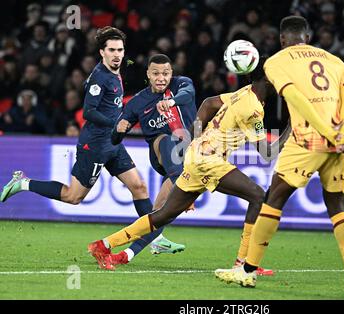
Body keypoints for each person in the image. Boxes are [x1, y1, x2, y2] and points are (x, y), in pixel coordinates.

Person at [87, 58, 292, 272]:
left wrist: (195, 138)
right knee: (259, 196)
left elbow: (208, 103)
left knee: (164, 215)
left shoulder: (243, 92)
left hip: (196, 156)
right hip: (209, 161)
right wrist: (291, 127)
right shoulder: (252, 109)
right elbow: (267, 154)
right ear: (268, 80)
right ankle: (243, 264)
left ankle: (103, 245)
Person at [215, 15, 344, 292]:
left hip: (308, 140)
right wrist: (341, 132)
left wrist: (325, 131)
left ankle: (247, 271)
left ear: (282, 40)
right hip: (341, 141)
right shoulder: (336, 61)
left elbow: (296, 96)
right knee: (338, 206)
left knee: (274, 199)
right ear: (307, 37)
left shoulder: (275, 62)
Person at [0, 26, 181, 256]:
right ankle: (23, 183)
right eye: (112, 50)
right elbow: (88, 111)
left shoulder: (117, 70)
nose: (117, 54)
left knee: (139, 187)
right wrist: (115, 124)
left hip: (113, 144)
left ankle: (156, 239)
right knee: (73, 197)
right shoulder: (100, 77)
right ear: (102, 53)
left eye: (120, 50)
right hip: (94, 145)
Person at [107, 53, 197, 266]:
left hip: (189, 158)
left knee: (159, 215)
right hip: (162, 155)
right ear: (148, 74)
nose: (161, 78)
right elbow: (114, 137)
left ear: (171, 73)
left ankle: (127, 255)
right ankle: (182, 182)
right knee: (165, 139)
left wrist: (171, 101)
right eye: (156, 73)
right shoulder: (138, 102)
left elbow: (188, 93)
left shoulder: (182, 84)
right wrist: (119, 131)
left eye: (165, 73)